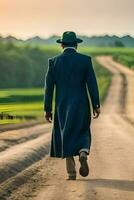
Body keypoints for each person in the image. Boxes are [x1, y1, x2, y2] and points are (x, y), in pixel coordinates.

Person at [44, 31, 101, 180]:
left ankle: (71, 172)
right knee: (83, 131)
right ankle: (83, 151)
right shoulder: (85, 61)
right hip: (82, 104)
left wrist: (47, 109)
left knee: (66, 134)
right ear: (76, 45)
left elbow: (49, 89)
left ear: (62, 45)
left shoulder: (53, 62)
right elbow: (92, 84)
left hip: (62, 106)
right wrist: (96, 104)